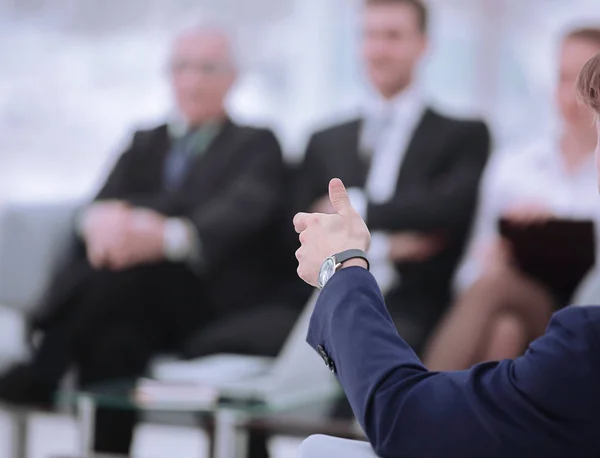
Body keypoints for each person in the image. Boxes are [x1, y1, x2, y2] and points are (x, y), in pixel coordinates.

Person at [0, 25, 298, 457]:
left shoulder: (256, 143)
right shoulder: (146, 141)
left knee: (131, 273)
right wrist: (105, 227)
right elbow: (99, 206)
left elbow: (238, 214)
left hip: (208, 299)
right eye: (182, 67)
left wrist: (161, 235)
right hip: (134, 308)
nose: (192, 80)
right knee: (115, 340)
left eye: (207, 68)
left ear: (232, 78)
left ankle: (47, 360)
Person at [293, 49, 600, 455]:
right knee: (502, 323)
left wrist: (342, 266)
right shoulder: (518, 162)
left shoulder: (584, 346)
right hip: (528, 335)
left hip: (556, 318)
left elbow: (405, 417)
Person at [295, 0, 490, 354]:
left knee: (371, 350)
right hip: (321, 294)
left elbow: (447, 211)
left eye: (393, 36)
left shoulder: (464, 135)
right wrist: (384, 246)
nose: (379, 50)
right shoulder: (325, 139)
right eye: (370, 35)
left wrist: (355, 209)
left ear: (423, 45)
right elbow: (298, 224)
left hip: (414, 304)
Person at [423, 27, 600, 371]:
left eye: (589, 83)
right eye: (565, 78)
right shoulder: (514, 166)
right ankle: (448, 419)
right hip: (520, 305)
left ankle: (413, 409)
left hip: (583, 312)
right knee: (505, 328)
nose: (575, 96)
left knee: (496, 294)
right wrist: (501, 255)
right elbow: (470, 273)